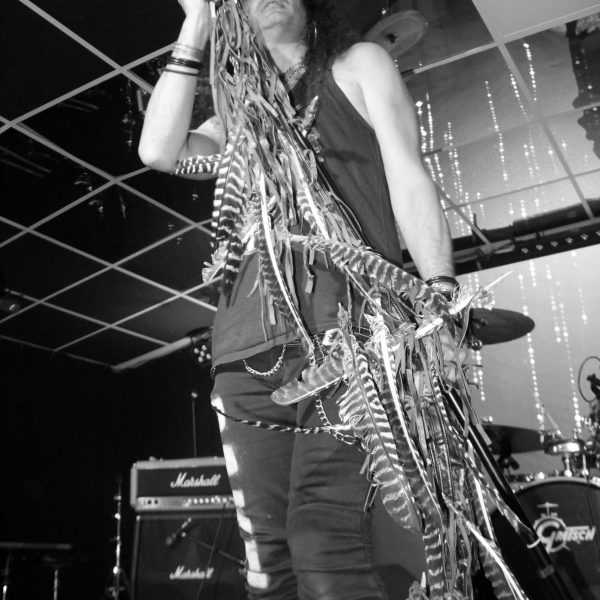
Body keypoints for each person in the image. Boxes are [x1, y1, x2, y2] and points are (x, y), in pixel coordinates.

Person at [139, 1, 457, 599]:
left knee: (323, 543)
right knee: (266, 562)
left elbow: (409, 175)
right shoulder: (238, 118)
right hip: (244, 356)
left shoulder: (359, 63)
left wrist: (438, 290)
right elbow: (158, 150)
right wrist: (195, 22)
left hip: (346, 341)